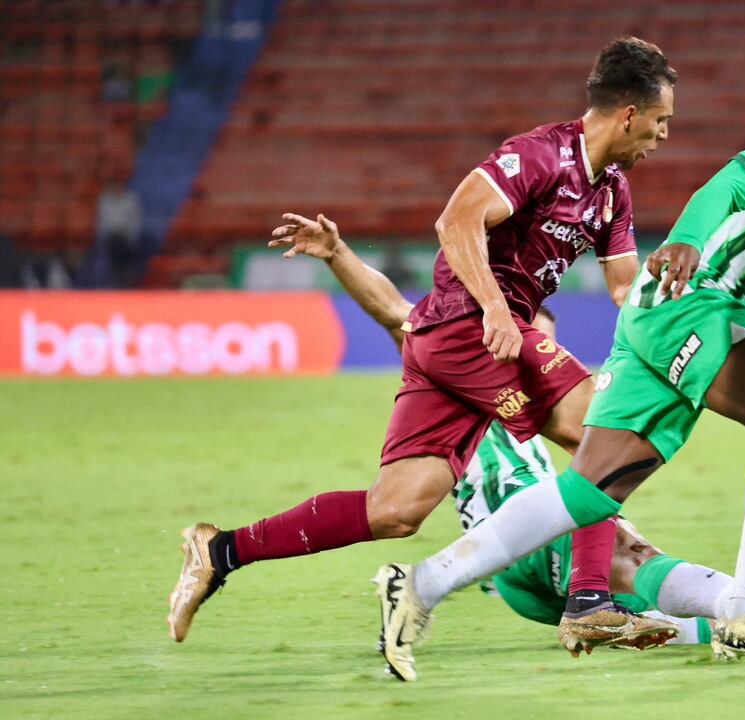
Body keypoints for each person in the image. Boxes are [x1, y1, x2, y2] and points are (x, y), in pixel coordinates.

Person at [373, 58, 745, 678]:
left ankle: (419, 585)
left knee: (589, 490)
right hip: (696, 299)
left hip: (667, 310)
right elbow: (734, 180)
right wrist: (685, 238)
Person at [168, 37, 680, 657]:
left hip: (446, 343)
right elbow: (455, 222)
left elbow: (626, 289)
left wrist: (688, 301)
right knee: (604, 431)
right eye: (659, 121)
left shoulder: (612, 191)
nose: (662, 136)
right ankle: (590, 602)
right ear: (628, 114)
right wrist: (495, 306)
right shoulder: (539, 155)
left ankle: (221, 549)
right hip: (473, 327)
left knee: (396, 509)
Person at [276, 226, 745, 662]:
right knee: (630, 553)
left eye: (545, 342)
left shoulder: (535, 396)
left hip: (516, 581)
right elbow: (394, 311)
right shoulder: (464, 371)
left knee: (634, 588)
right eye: (529, 338)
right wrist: (338, 254)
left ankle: (724, 621)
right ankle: (741, 608)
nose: (538, 352)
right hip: (526, 543)